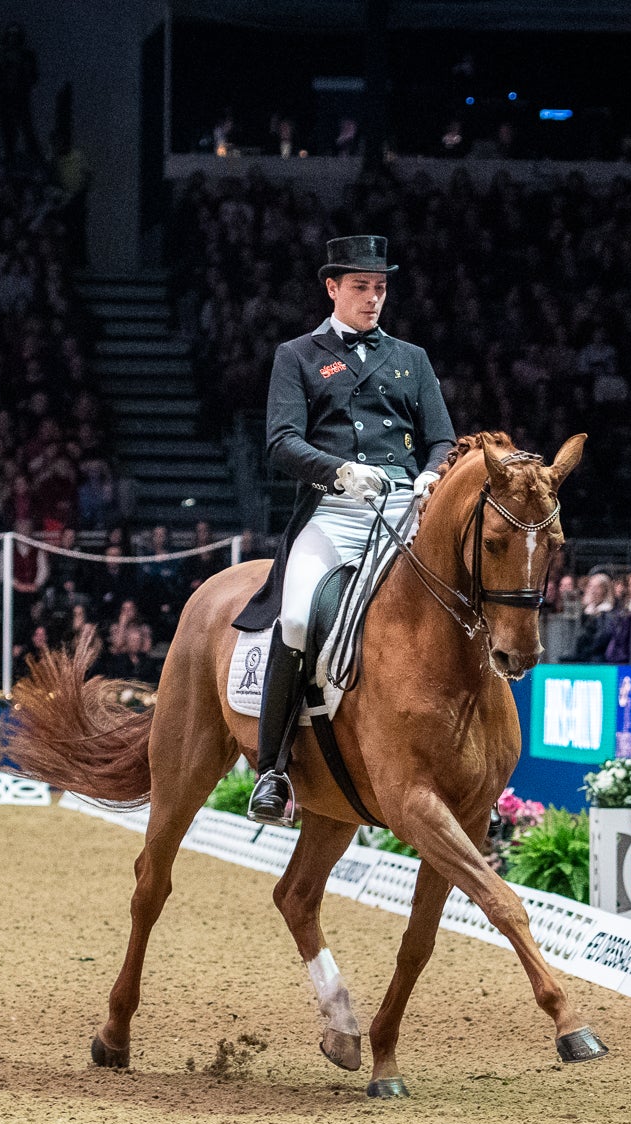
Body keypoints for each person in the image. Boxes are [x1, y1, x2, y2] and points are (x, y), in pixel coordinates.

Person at [233, 235, 457, 824]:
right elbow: (281, 441)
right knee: (298, 618)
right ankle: (273, 770)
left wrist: (432, 474)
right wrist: (339, 471)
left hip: (404, 512)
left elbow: (441, 438)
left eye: (380, 287)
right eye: (361, 287)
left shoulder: (412, 357)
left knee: (458, 600)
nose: (373, 297)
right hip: (333, 513)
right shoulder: (297, 355)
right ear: (332, 288)